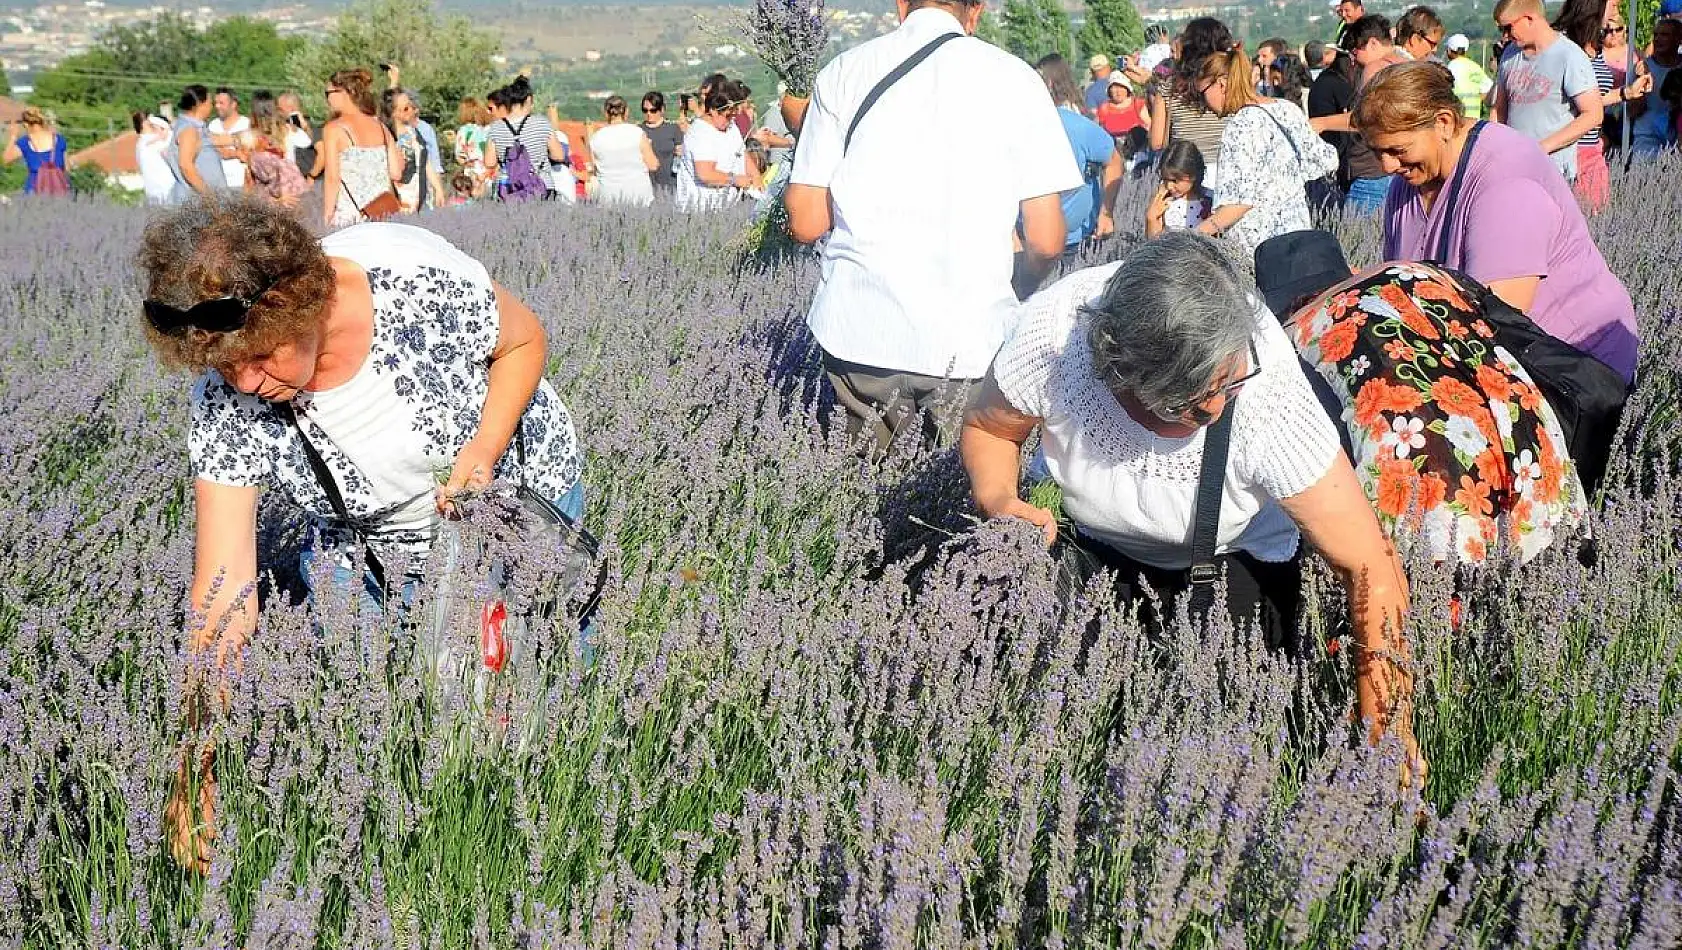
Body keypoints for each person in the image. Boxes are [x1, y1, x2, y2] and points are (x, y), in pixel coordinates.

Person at [140, 197, 583, 871]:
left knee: (519, 711)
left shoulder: (418, 288)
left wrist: (485, 448)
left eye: (262, 357)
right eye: (225, 368)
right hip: (363, 541)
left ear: (300, 302)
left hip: (500, 506)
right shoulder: (228, 392)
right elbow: (222, 591)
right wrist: (193, 766)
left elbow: (523, 339)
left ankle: (540, 847)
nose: (247, 384)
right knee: (385, 715)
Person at [960, 231, 1419, 773]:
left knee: (1230, 755)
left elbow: (1369, 563)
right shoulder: (1056, 337)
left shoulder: (1266, 395)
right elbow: (989, 426)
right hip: (1093, 556)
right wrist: (998, 499)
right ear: (1123, 378)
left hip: (1234, 567)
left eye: (1230, 382)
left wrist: (1387, 725)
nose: (1222, 404)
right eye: (1197, 406)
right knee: (1068, 735)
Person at [784, 0, 1080, 454]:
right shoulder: (1017, 79)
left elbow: (805, 223)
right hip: (969, 337)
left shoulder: (845, 72)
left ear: (901, 5)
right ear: (975, 10)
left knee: (856, 497)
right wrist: (1016, 285)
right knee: (964, 507)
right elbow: (1046, 238)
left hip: (859, 331)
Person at [1255, 230, 1587, 565]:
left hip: (1435, 504)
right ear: (1349, 270)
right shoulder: (1418, 275)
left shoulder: (1292, 339)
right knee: (1549, 572)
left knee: (1442, 593)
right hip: (1536, 457)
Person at [1355, 60, 1638, 384]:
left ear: (1444, 123)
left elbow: (1495, 322)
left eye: (1397, 150)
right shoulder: (1409, 182)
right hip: (1488, 361)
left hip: (1573, 368)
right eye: (1378, 152)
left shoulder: (1505, 176)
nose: (1388, 166)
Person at [1192, 49, 1338, 255]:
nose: (1203, 104)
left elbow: (1237, 204)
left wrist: (1191, 238)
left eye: (1203, 93)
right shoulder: (1287, 108)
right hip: (1299, 238)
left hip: (1260, 251)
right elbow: (1326, 160)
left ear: (1222, 84)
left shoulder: (1239, 127)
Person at [1491, 0, 1604, 181]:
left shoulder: (1569, 56)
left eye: (1508, 28)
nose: (1505, 36)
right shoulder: (1509, 54)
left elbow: (1593, 114)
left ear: (1529, 18)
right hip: (1513, 169)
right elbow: (1499, 109)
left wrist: (1542, 147)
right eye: (1501, 30)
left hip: (1554, 172)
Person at [1038, 54, 1121, 252]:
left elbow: (1114, 160)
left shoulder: (1075, 124)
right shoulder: (1015, 127)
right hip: (1031, 241)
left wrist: (1106, 213)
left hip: (1077, 241)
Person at [1149, 17, 1236, 186]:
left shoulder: (1170, 87)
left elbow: (1157, 142)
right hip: (1230, 171)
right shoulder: (1231, 83)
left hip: (1185, 176)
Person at [321, 68, 403, 228]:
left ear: (344, 92)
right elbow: (396, 172)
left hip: (350, 216)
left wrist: (327, 216)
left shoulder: (334, 129)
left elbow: (332, 178)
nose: (327, 100)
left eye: (328, 93)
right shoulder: (381, 127)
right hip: (383, 216)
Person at [675, 84, 754, 212]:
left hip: (730, 207)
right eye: (727, 116)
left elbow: (742, 154)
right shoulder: (699, 133)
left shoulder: (731, 127)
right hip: (703, 209)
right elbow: (706, 174)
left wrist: (756, 178)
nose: (730, 120)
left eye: (733, 116)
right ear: (712, 110)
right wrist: (735, 180)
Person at [484, 77, 567, 199]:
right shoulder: (542, 123)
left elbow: (489, 162)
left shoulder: (496, 128)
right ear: (528, 100)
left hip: (506, 188)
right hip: (540, 185)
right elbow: (559, 155)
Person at [243, 94, 312, 209]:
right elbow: (308, 143)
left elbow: (249, 180)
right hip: (291, 193)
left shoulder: (249, 137)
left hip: (267, 199)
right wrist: (303, 125)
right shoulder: (289, 130)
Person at [587, 95, 659, 207]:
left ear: (605, 113)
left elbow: (595, 170)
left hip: (608, 197)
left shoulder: (595, 138)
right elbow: (653, 165)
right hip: (638, 197)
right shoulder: (637, 133)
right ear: (626, 112)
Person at [383, 88, 442, 213]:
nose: (412, 111)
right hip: (401, 199)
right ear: (394, 113)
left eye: (411, 106)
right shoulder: (389, 137)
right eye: (405, 108)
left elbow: (425, 161)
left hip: (421, 196)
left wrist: (438, 188)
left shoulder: (414, 132)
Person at [165, 85, 226, 203]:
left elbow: (216, 140)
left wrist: (241, 139)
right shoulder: (189, 130)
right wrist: (209, 196)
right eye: (210, 102)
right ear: (200, 104)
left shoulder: (197, 128)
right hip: (196, 202)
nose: (212, 106)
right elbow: (186, 165)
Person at [1629, 17, 1680, 157]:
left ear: (1678, 39)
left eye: (1664, 35)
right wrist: (1641, 85)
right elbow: (1631, 112)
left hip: (1678, 139)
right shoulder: (1641, 68)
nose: (1657, 39)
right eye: (1655, 35)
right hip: (1647, 140)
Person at [1144, 140, 1212, 235]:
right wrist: (1151, 218)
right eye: (1165, 180)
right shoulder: (1164, 202)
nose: (1169, 186)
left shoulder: (1210, 200)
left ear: (1193, 175)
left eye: (1174, 181)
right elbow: (1153, 242)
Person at [4, 107, 69, 195]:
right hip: (60, 191)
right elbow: (66, 168)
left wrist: (13, 137)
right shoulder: (59, 140)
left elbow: (4, 160)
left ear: (26, 125)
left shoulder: (25, 142)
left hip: (34, 193)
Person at [207, 88, 250, 192]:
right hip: (219, 184)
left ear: (233, 104)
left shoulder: (246, 124)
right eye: (216, 103)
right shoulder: (213, 125)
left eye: (221, 103)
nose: (217, 106)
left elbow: (248, 151)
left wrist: (221, 146)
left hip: (241, 182)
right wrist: (236, 151)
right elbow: (211, 149)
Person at [640, 91, 683, 192]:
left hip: (670, 186)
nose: (648, 114)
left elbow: (681, 155)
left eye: (653, 110)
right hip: (646, 187)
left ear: (662, 110)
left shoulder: (673, 129)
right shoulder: (638, 132)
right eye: (645, 110)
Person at [1445, 34, 1495, 117]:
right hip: (1474, 118)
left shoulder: (1451, 67)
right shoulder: (1474, 66)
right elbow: (1488, 88)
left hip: (1457, 117)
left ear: (1449, 50)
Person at [275, 91, 320, 182]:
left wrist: (312, 176)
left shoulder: (311, 127)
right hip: (291, 178)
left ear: (291, 108)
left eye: (280, 109)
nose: (278, 112)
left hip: (307, 178)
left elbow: (319, 151)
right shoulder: (283, 126)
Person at [133, 112, 176, 205]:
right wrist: (167, 128)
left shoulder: (140, 144)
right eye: (150, 123)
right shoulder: (153, 142)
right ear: (145, 124)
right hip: (165, 191)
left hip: (152, 192)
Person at [454, 98, 492, 196]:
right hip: (488, 171)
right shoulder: (488, 129)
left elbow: (460, 157)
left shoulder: (463, 131)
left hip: (471, 171)